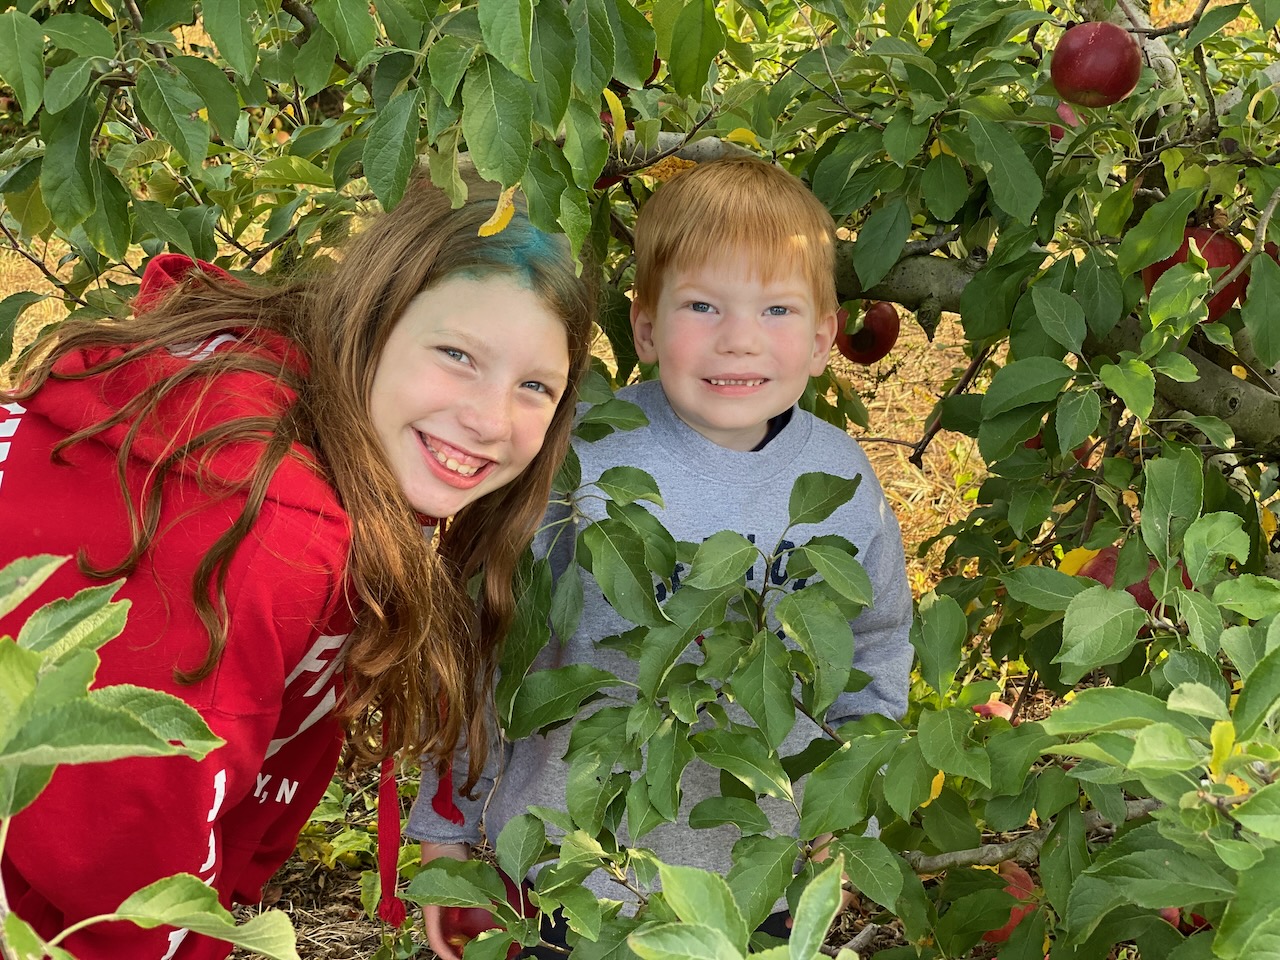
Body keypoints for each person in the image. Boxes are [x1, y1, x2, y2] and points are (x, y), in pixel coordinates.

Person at [0, 178, 595, 960]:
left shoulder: (306, 425)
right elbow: (125, 861)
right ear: (373, 322)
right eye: (457, 355)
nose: (489, 420)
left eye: (535, 386)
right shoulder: (271, 537)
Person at [408, 157, 914, 957]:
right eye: (702, 305)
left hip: (756, 879)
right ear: (644, 329)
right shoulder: (579, 458)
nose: (739, 337)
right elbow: (485, 639)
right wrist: (445, 825)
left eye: (777, 309)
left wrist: (850, 812)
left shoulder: (841, 484)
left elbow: (877, 648)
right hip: (563, 873)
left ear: (825, 339)